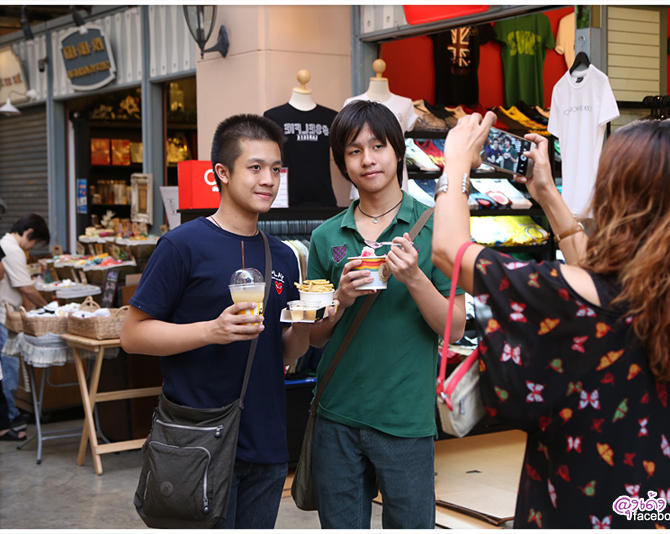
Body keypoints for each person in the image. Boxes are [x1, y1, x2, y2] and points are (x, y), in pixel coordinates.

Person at [432, 113, 670, 528]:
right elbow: (599, 281)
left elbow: (450, 252)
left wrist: (455, 163)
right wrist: (547, 194)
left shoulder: (566, 297)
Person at [120, 114, 318, 529]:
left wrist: (305, 327)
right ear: (222, 173)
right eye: (255, 167)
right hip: (196, 441)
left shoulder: (283, 255)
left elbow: (284, 352)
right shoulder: (182, 245)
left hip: (266, 442)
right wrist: (212, 331)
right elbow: (133, 335)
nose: (268, 180)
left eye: (276, 169)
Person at [306, 100, 466, 529]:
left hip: (405, 418)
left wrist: (414, 278)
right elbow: (315, 337)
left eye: (378, 146)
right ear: (342, 161)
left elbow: (454, 328)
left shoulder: (436, 228)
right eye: (354, 150)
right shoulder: (326, 236)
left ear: (398, 150)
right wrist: (340, 300)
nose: (367, 159)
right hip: (336, 414)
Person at [0, 213, 50, 433]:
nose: (32, 247)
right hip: (3, 316)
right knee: (7, 369)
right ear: (28, 233)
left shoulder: (5, 244)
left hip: (5, 314)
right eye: (34, 242)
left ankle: (10, 415)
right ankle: (10, 418)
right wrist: (48, 308)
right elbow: (26, 288)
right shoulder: (12, 249)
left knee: (6, 369)